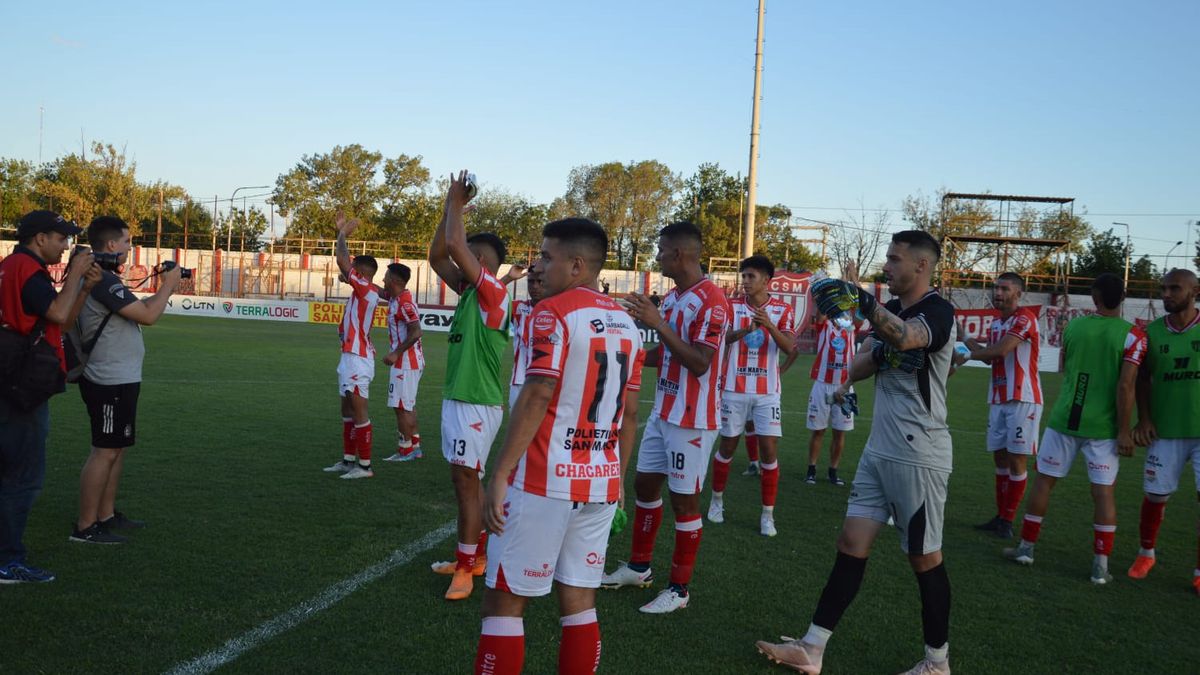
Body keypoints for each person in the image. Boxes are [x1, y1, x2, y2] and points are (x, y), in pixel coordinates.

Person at [757, 230, 957, 675]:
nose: (887, 265)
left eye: (895, 258)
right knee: (850, 543)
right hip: (879, 450)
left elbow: (908, 338)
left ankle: (937, 664)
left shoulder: (938, 311)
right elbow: (860, 363)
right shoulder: (894, 311)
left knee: (924, 558)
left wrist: (867, 306)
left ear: (922, 265)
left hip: (919, 453)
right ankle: (812, 648)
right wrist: (879, 340)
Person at [474, 218, 643, 675]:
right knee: (580, 601)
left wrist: (501, 473)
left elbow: (538, 393)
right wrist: (618, 481)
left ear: (576, 265)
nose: (539, 266)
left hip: (543, 482)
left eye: (547, 257)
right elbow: (630, 414)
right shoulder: (628, 324)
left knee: (504, 603)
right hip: (600, 481)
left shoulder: (552, 312)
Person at [602, 221, 729, 614]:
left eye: (660, 250)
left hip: (693, 419)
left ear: (678, 253)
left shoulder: (713, 301)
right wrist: (629, 355)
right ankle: (639, 568)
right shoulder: (674, 298)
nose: (657, 257)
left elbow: (700, 362)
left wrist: (657, 323)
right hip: (663, 411)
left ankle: (679, 589)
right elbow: (668, 352)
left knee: (684, 502)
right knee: (644, 485)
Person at [1003, 273, 1145, 585]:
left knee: (1044, 482)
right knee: (1103, 493)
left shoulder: (1074, 326)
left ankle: (1026, 549)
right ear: (1122, 298)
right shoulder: (1133, 336)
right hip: (1103, 427)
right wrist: (1124, 431)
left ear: (1094, 297)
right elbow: (1126, 386)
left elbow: (1066, 366)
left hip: (1065, 418)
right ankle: (1100, 566)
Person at [1, 210, 100, 582]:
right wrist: (75, 275)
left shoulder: (12, 266)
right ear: (39, 238)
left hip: (10, 378)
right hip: (21, 386)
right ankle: (8, 560)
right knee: (21, 476)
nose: (65, 246)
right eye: (60, 238)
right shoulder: (27, 269)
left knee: (12, 470)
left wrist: (83, 288)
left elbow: (60, 320)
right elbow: (58, 312)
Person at [70, 216, 182, 544]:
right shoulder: (101, 279)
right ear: (111, 244)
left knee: (116, 449)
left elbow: (137, 308)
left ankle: (105, 515)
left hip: (120, 377)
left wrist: (160, 289)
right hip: (108, 379)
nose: (130, 247)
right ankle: (85, 527)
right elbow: (148, 316)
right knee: (104, 451)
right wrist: (169, 285)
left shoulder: (104, 278)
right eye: (127, 241)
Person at [427, 170, 512, 601]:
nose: (459, 262)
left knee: (465, 484)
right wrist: (449, 204)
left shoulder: (493, 292)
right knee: (466, 482)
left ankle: (466, 569)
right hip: (459, 399)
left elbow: (454, 248)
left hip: (477, 402)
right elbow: (436, 255)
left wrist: (457, 205)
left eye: (468, 257)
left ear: (481, 260)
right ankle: (474, 557)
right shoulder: (468, 294)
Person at [707, 255, 796, 536]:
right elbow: (721, 339)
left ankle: (767, 515)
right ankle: (717, 501)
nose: (745, 281)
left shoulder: (782, 309)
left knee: (769, 451)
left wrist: (769, 325)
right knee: (727, 447)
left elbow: (790, 347)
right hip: (733, 389)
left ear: (766, 280)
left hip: (767, 393)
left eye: (750, 276)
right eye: (743, 276)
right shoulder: (731, 306)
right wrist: (746, 329)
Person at [1127, 269, 1200, 593]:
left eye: (1174, 288)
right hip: (1165, 430)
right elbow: (1142, 379)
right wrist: (1144, 420)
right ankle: (1146, 554)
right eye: (1163, 288)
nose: (1166, 294)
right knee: (1155, 495)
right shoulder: (1152, 333)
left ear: (1195, 291)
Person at [961, 273, 1043, 540]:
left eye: (1004, 289)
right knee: (999, 458)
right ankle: (1000, 517)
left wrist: (965, 355)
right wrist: (963, 337)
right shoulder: (997, 322)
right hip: (997, 398)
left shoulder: (1025, 318)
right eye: (995, 288)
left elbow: (1000, 351)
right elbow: (988, 356)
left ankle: (1007, 521)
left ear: (1018, 293)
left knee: (1017, 459)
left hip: (1023, 399)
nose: (997, 293)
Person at [322, 214, 380, 480]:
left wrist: (342, 233)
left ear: (362, 272)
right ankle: (348, 461)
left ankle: (365, 467)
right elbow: (345, 269)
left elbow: (342, 262)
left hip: (358, 358)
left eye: (354, 269)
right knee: (347, 412)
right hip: (349, 356)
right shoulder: (363, 289)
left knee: (359, 412)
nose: (349, 273)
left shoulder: (366, 289)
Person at [786, 309, 856, 487]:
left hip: (844, 387)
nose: (844, 317)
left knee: (839, 432)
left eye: (846, 314)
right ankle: (811, 470)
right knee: (818, 430)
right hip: (822, 385)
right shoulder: (825, 326)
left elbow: (860, 311)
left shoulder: (851, 328)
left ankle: (833, 471)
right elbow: (820, 314)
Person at [381, 263, 425, 462]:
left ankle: (405, 450)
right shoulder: (396, 298)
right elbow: (377, 290)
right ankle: (414, 447)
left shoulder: (404, 303)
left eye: (386, 277)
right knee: (407, 405)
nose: (383, 280)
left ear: (395, 281)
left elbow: (416, 331)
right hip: (410, 362)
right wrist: (352, 278)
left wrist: (395, 353)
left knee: (401, 407)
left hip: (405, 362)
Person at [508, 267, 545, 411]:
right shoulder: (518, 307)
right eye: (531, 282)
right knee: (517, 424)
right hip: (519, 381)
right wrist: (508, 278)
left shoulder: (559, 310)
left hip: (547, 383)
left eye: (540, 282)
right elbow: (490, 298)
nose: (535, 286)